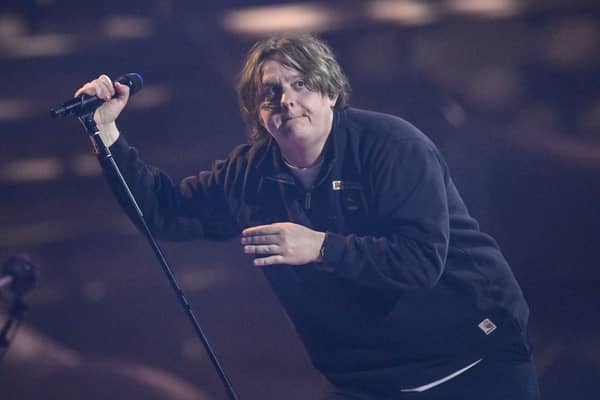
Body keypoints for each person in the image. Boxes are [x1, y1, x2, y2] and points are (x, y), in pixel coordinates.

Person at [74, 34, 539, 399]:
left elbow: (418, 261)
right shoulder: (250, 174)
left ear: (331, 94)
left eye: (301, 84)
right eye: (270, 92)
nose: (287, 100)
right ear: (258, 113)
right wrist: (107, 131)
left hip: (474, 360)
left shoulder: (394, 147)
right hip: (367, 381)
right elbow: (165, 213)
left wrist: (319, 246)